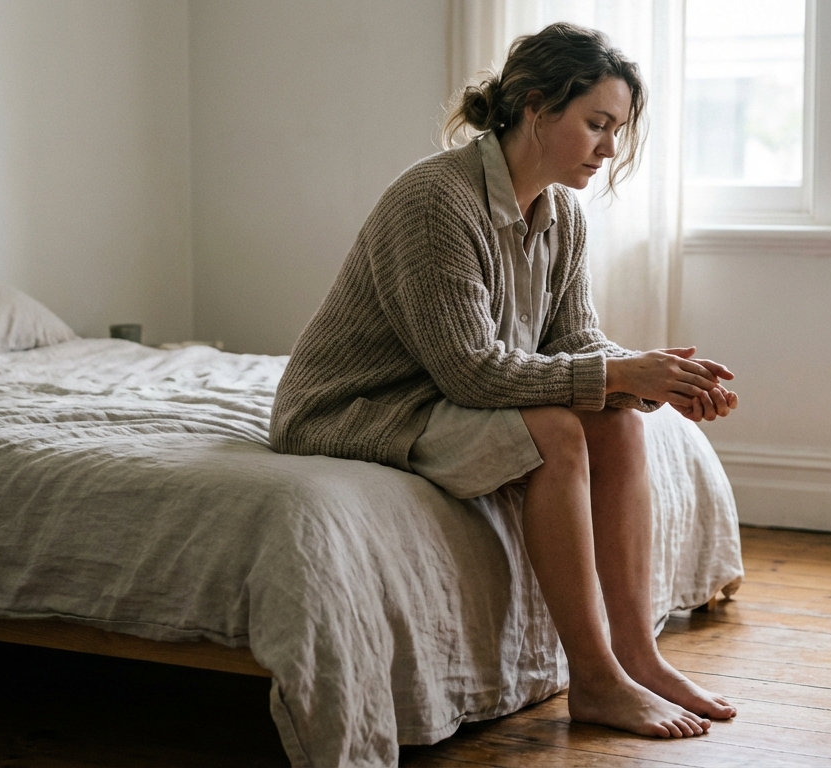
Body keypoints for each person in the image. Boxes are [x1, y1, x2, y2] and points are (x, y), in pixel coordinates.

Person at [270, 21, 740, 739]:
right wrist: (620, 371)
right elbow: (472, 371)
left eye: (617, 130)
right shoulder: (435, 201)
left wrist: (654, 380)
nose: (610, 148)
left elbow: (573, 342)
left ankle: (638, 655)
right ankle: (595, 678)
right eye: (596, 124)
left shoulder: (562, 214)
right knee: (555, 431)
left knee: (616, 418)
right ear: (533, 106)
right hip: (360, 407)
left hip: (440, 393)